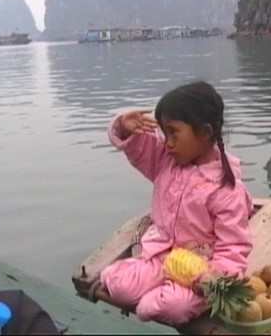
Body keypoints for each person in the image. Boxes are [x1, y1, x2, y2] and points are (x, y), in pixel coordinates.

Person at [100, 81, 253, 325]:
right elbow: (139, 147)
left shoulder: (227, 188)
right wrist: (124, 127)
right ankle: (157, 287)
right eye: (164, 132)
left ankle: (168, 294)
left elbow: (233, 248)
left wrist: (211, 280)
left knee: (172, 307)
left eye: (173, 132)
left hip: (199, 270)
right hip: (161, 257)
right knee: (115, 282)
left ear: (205, 133)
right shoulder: (166, 160)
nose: (167, 142)